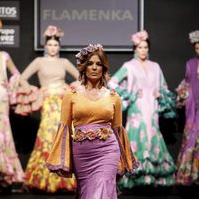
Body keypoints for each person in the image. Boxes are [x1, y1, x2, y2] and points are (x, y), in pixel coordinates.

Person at [45, 44, 139, 199]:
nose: (94, 68)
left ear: (104, 68)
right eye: (90, 64)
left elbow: (118, 130)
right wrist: (63, 159)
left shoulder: (113, 96)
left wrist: (124, 160)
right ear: (83, 67)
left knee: (102, 189)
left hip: (108, 151)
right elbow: (65, 128)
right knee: (87, 193)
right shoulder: (71, 95)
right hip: (82, 153)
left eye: (98, 64)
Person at [108, 30, 176, 189]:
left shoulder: (155, 66)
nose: (143, 50)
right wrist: (129, 94)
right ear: (135, 49)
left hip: (152, 107)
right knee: (136, 138)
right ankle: (132, 178)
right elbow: (112, 82)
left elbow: (164, 87)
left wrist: (160, 94)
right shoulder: (129, 66)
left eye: (145, 47)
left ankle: (152, 179)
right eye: (140, 47)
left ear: (148, 49)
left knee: (152, 136)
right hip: (137, 108)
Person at [16, 25, 79, 193]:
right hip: (48, 103)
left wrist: (69, 88)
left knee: (64, 135)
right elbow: (21, 78)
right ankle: (43, 179)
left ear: (59, 46)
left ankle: (64, 180)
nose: (53, 48)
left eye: (56, 45)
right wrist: (33, 91)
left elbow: (80, 78)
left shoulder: (64, 62)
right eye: (50, 45)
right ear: (45, 46)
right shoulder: (39, 61)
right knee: (47, 136)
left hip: (62, 102)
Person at [0, 18, 24, 192]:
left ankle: (5, 172)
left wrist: (9, 89)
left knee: (2, 132)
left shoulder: (4, 56)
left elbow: (16, 74)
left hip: (0, 97)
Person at [176, 30, 199, 185]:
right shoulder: (190, 64)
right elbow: (186, 84)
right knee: (191, 139)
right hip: (193, 108)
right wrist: (182, 95)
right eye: (197, 48)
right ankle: (189, 175)